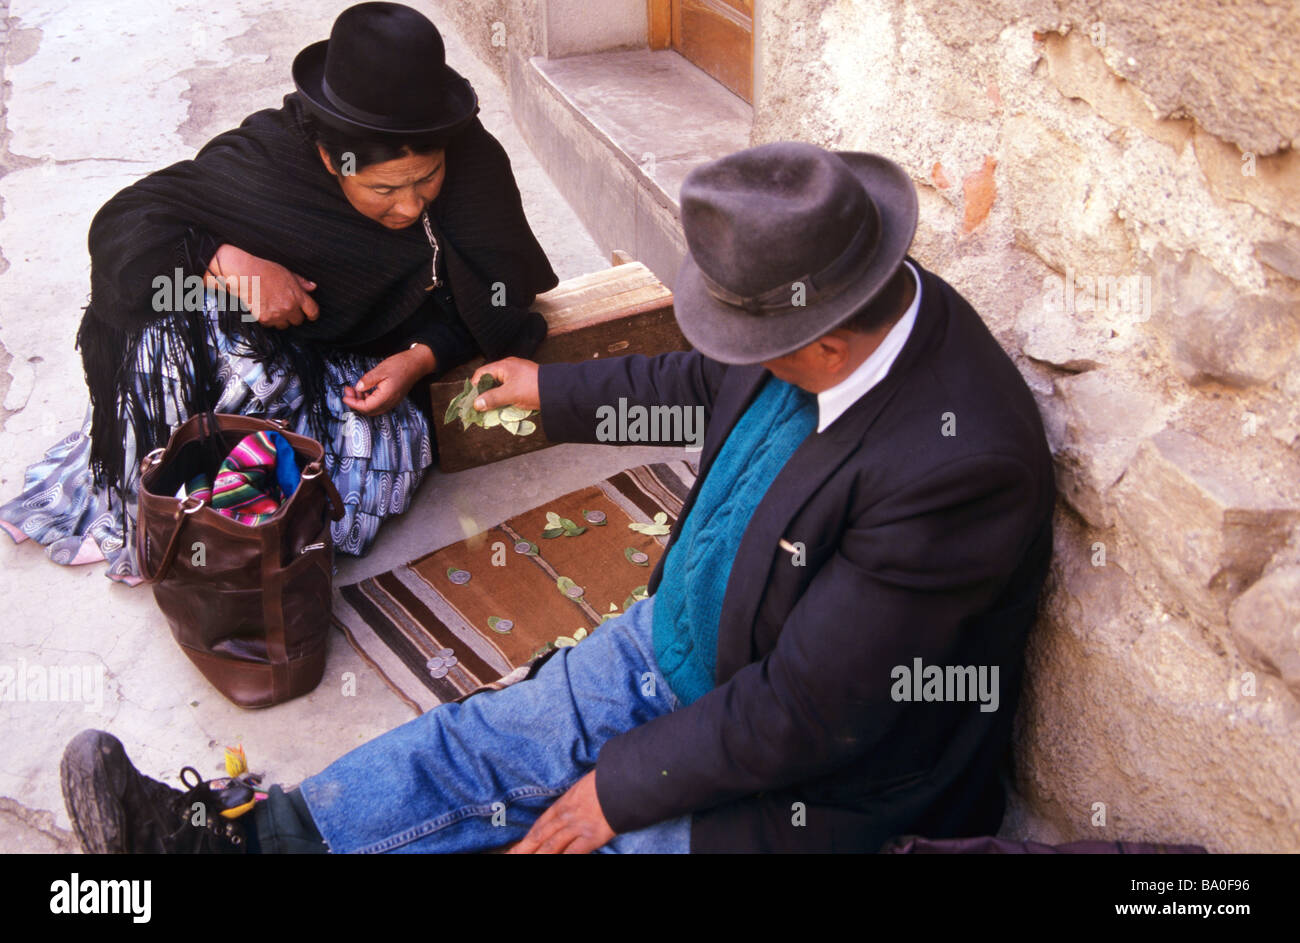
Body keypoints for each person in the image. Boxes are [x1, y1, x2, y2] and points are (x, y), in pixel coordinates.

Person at [61, 141, 1056, 853]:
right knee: (475, 745)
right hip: (686, 639)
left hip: (819, 776)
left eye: (744, 338)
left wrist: (616, 793)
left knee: (570, 834)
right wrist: (553, 395)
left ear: (827, 341)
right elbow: (702, 387)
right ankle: (241, 841)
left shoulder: (954, 469)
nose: (727, 351)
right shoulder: (843, 293)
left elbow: (807, 711)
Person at [0, 2, 556, 581]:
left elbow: (502, 288)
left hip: (365, 367)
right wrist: (232, 264)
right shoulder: (268, 161)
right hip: (264, 345)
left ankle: (224, 496)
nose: (412, 205)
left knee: (316, 512)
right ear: (329, 157)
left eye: (427, 178)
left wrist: (420, 358)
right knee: (167, 324)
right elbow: (127, 223)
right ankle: (167, 490)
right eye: (384, 188)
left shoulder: (473, 159)